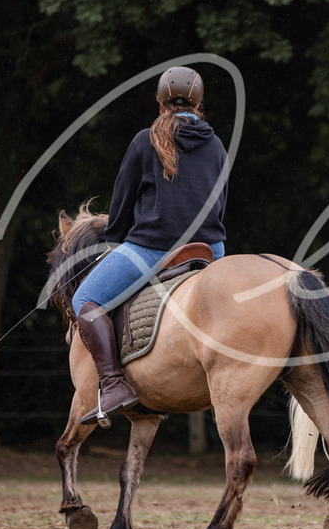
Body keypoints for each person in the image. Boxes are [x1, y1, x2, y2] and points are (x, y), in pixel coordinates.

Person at [71, 66, 228, 426]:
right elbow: (219, 206)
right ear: (199, 105)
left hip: (154, 248)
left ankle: (112, 386)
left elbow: (123, 205)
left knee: (85, 301)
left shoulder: (146, 140)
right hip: (211, 250)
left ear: (160, 105)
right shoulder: (217, 145)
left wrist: (115, 238)